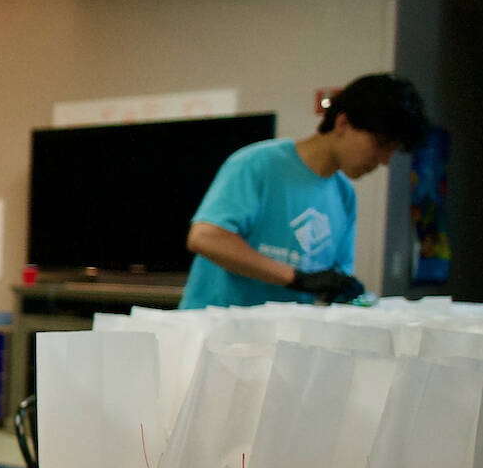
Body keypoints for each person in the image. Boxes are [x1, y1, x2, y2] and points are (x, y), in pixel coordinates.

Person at [180, 74, 427, 309]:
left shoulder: (344, 195)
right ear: (343, 124)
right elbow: (206, 238)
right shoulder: (258, 164)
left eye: (392, 151)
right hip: (217, 330)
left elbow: (336, 274)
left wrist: (341, 288)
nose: (384, 160)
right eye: (381, 145)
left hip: (282, 334)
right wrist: (295, 278)